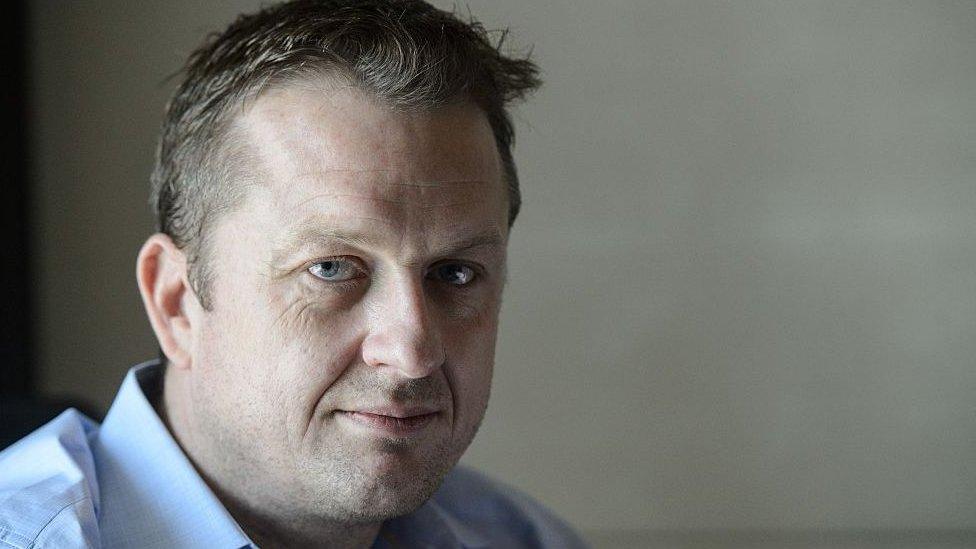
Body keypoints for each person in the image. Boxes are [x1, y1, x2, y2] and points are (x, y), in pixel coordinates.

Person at [0, 1, 587, 547]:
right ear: (176, 301)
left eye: (455, 273)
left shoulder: (520, 536)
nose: (412, 352)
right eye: (331, 269)